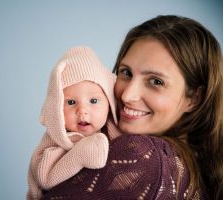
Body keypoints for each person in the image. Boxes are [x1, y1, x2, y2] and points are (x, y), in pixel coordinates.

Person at [40, 15, 223, 200]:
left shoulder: (141, 155)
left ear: (194, 99)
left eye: (156, 81)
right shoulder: (195, 165)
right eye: (126, 72)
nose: (127, 95)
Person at [27, 46, 119, 200]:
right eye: (70, 102)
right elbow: (46, 179)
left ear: (109, 103)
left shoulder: (110, 131)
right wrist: (80, 154)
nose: (82, 110)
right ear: (56, 107)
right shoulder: (54, 139)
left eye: (94, 101)